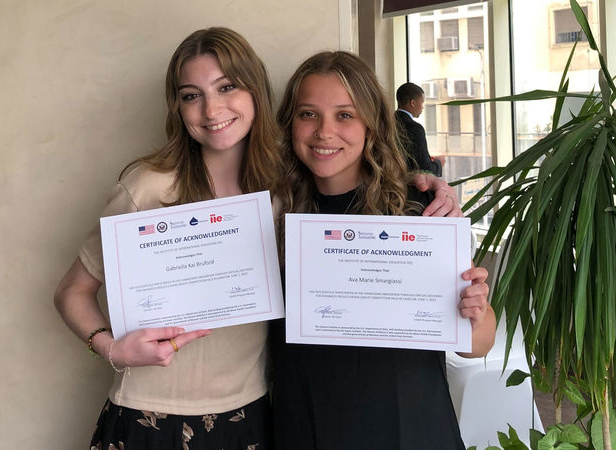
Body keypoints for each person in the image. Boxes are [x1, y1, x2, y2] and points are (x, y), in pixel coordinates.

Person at [54, 27, 461, 450]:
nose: (212, 109)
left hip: (254, 415)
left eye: (227, 87)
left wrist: (423, 183)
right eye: (192, 94)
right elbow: (71, 292)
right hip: (151, 415)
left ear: (255, 94)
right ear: (178, 106)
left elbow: (355, 176)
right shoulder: (149, 187)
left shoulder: (285, 189)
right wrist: (110, 350)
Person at [271, 51, 496, 450]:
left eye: (345, 115)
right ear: (290, 123)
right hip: (305, 423)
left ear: (372, 124)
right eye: (308, 114)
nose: (324, 132)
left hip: (409, 424)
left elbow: (477, 343)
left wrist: (474, 311)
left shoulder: (418, 207)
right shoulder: (274, 212)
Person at [395, 82, 441, 176]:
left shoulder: (385, 123)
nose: (422, 107)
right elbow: (424, 167)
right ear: (413, 103)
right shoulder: (415, 128)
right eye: (422, 103)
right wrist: (438, 164)